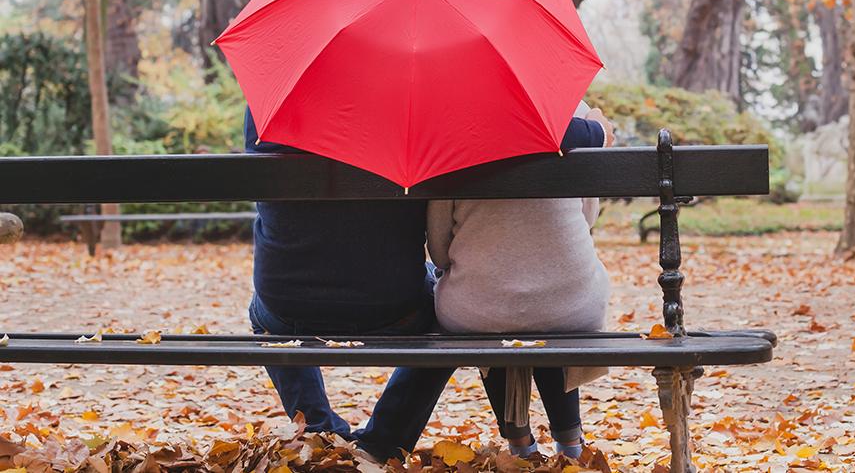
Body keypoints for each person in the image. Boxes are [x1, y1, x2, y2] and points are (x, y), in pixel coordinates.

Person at [243, 104, 614, 461]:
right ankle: (383, 441)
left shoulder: (269, 102)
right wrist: (595, 130)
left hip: (285, 301)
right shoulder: (409, 98)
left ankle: (317, 430)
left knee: (262, 314)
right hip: (391, 306)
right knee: (441, 319)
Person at [425, 101, 612, 459]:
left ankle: (519, 443)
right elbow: (587, 219)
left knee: (489, 300)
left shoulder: (448, 128)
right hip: (571, 305)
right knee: (552, 302)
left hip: (476, 311)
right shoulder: (570, 116)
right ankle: (570, 442)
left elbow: (439, 250)